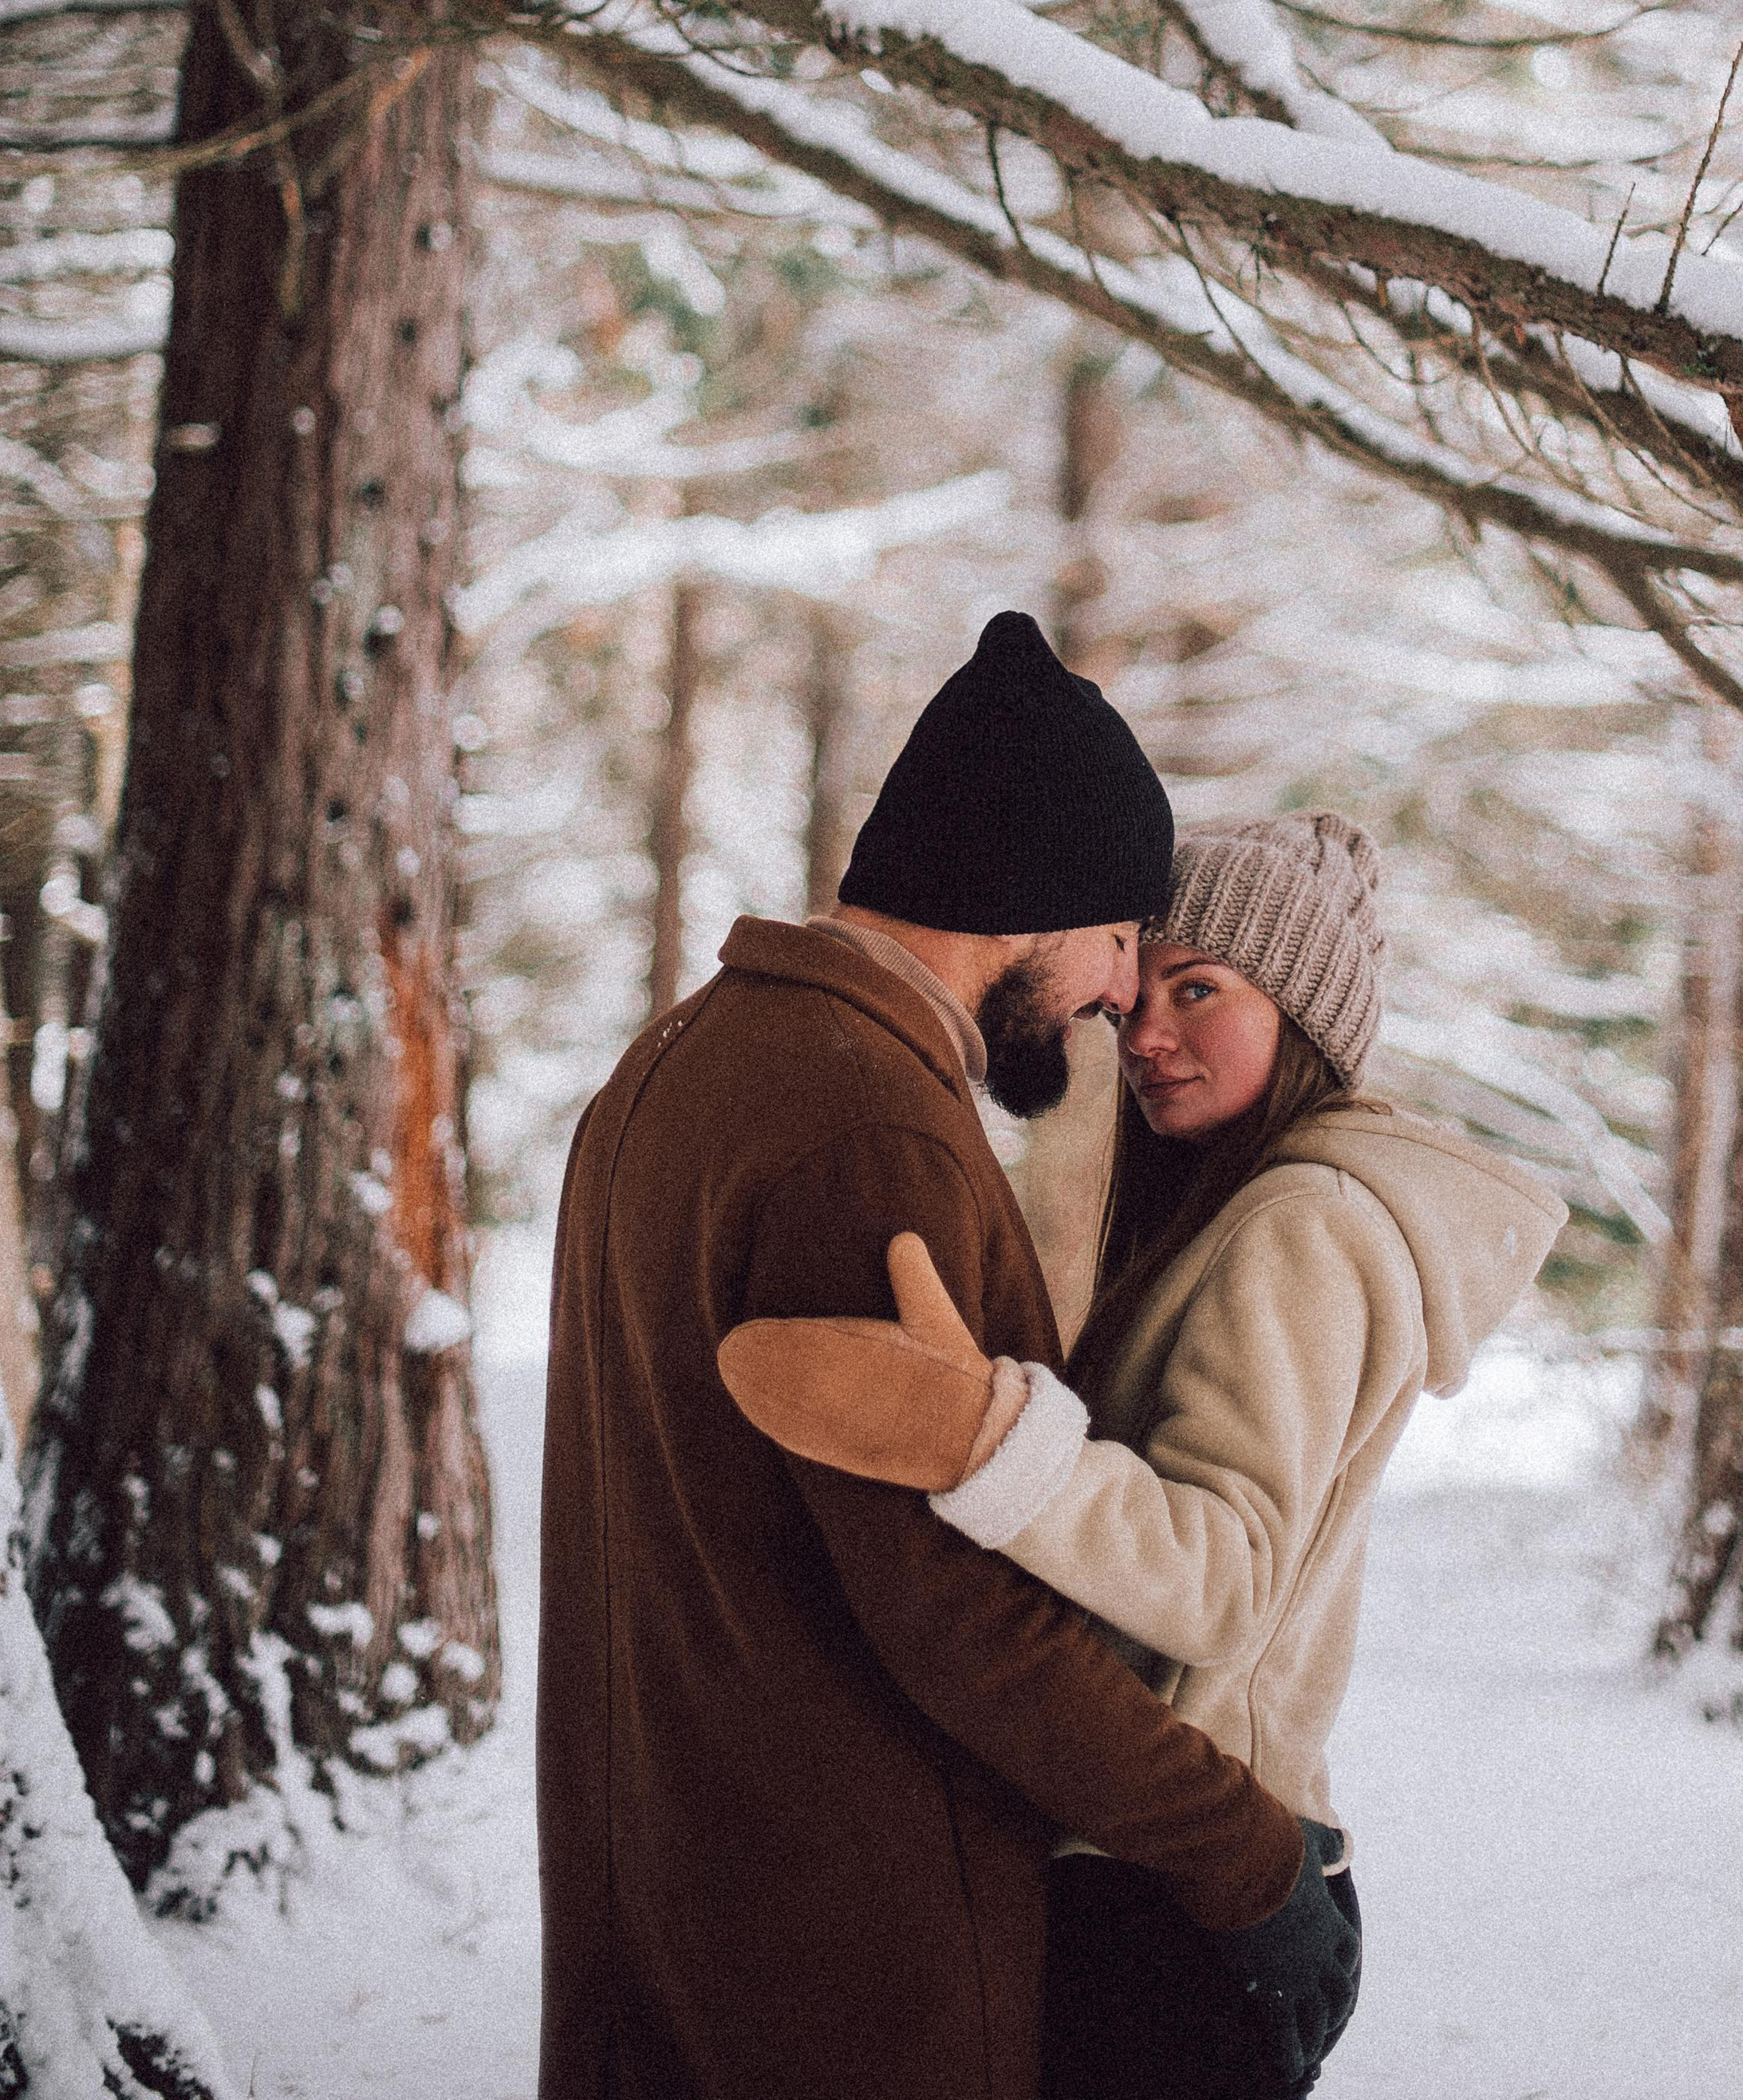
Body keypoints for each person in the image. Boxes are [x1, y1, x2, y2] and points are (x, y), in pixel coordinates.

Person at [536, 615, 1358, 2100]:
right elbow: (960, 1614)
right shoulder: (865, 1125)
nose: (1121, 995)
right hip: (839, 1946)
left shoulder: (678, 1060)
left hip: (668, 1890)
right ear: (1035, 899)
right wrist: (1245, 1856)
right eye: (1122, 938)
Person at [724, 807, 1566, 2099]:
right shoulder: (1252, 1209)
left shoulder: (1302, 1225)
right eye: (1132, 1005)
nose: (1149, 1035)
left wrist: (991, 1439)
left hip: (1183, 1902)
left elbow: (1225, 1573)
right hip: (1183, 1885)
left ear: (1305, 1015)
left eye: (1200, 991)